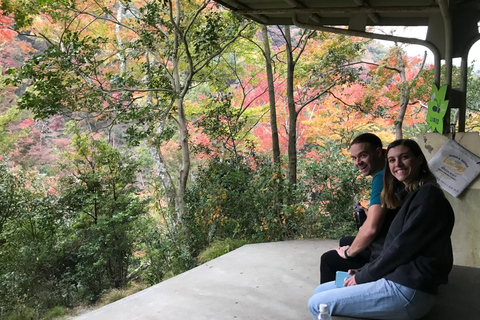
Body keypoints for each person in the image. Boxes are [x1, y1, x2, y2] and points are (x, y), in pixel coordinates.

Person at [308, 139, 455, 320]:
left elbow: (400, 249)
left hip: (409, 288)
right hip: (398, 278)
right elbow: (392, 246)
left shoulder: (428, 195)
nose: (397, 164)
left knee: (317, 304)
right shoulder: (410, 195)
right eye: (392, 160)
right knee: (320, 291)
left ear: (419, 160)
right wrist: (363, 270)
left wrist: (364, 276)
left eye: (405, 157)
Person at [320, 133, 397, 283]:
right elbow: (388, 215)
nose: (358, 162)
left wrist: (348, 253)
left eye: (363, 155)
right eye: (354, 158)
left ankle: (330, 301)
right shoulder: (389, 173)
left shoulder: (382, 178)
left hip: (385, 251)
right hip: (390, 240)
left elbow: (372, 229)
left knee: (329, 259)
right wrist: (368, 212)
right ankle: (349, 285)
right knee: (345, 240)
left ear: (379, 152)